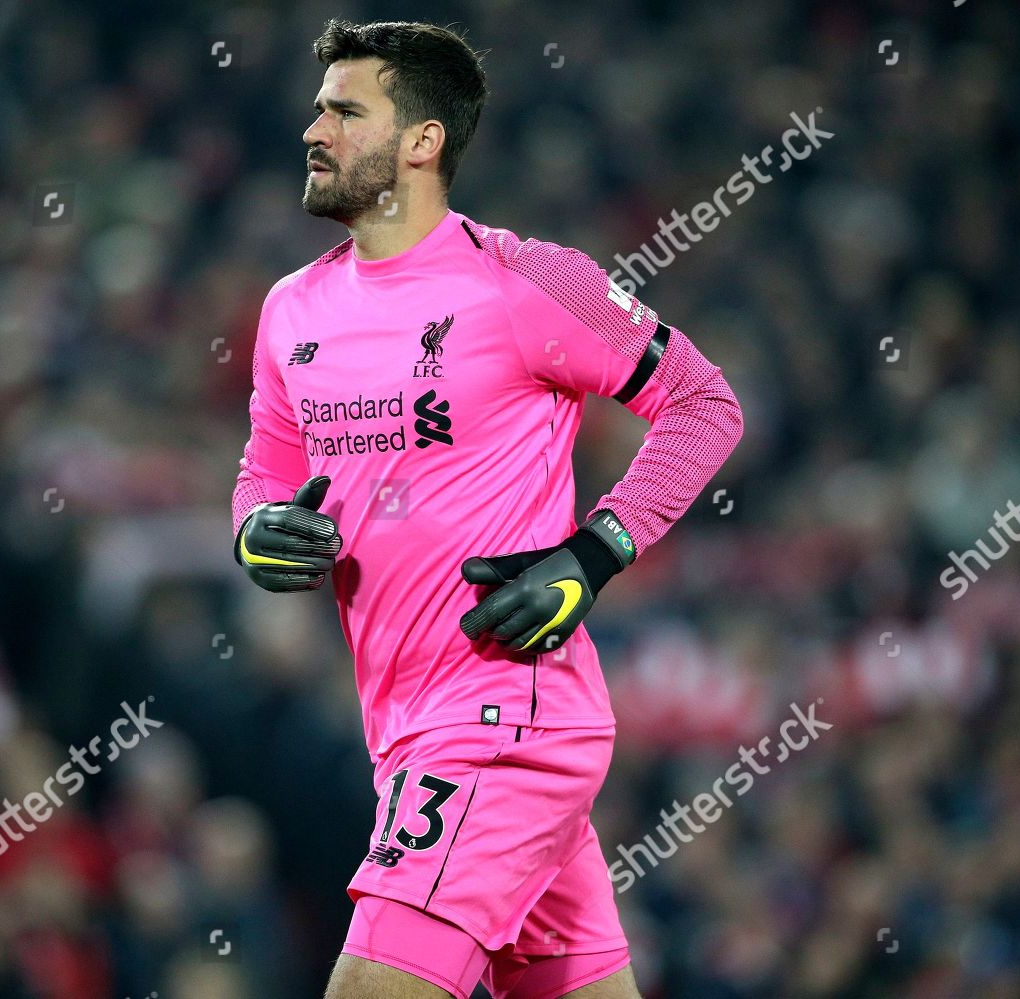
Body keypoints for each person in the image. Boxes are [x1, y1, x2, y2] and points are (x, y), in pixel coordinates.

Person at [231, 19, 743, 999]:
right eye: (316, 106)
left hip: (503, 721)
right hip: (405, 729)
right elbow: (265, 469)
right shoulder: (290, 309)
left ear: (421, 142)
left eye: (344, 110)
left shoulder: (527, 280)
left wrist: (596, 554)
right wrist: (257, 530)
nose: (313, 128)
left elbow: (703, 403)